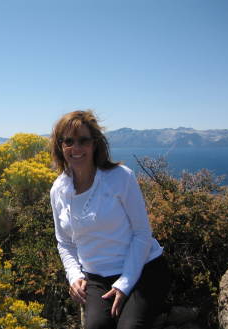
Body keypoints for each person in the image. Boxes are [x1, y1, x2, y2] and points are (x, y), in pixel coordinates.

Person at [50, 110, 170, 329]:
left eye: (83, 140)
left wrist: (125, 284)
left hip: (144, 268)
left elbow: (142, 233)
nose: (76, 148)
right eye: (68, 141)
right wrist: (74, 276)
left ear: (95, 144)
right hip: (97, 277)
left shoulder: (120, 177)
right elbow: (64, 242)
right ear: (60, 146)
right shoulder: (58, 189)